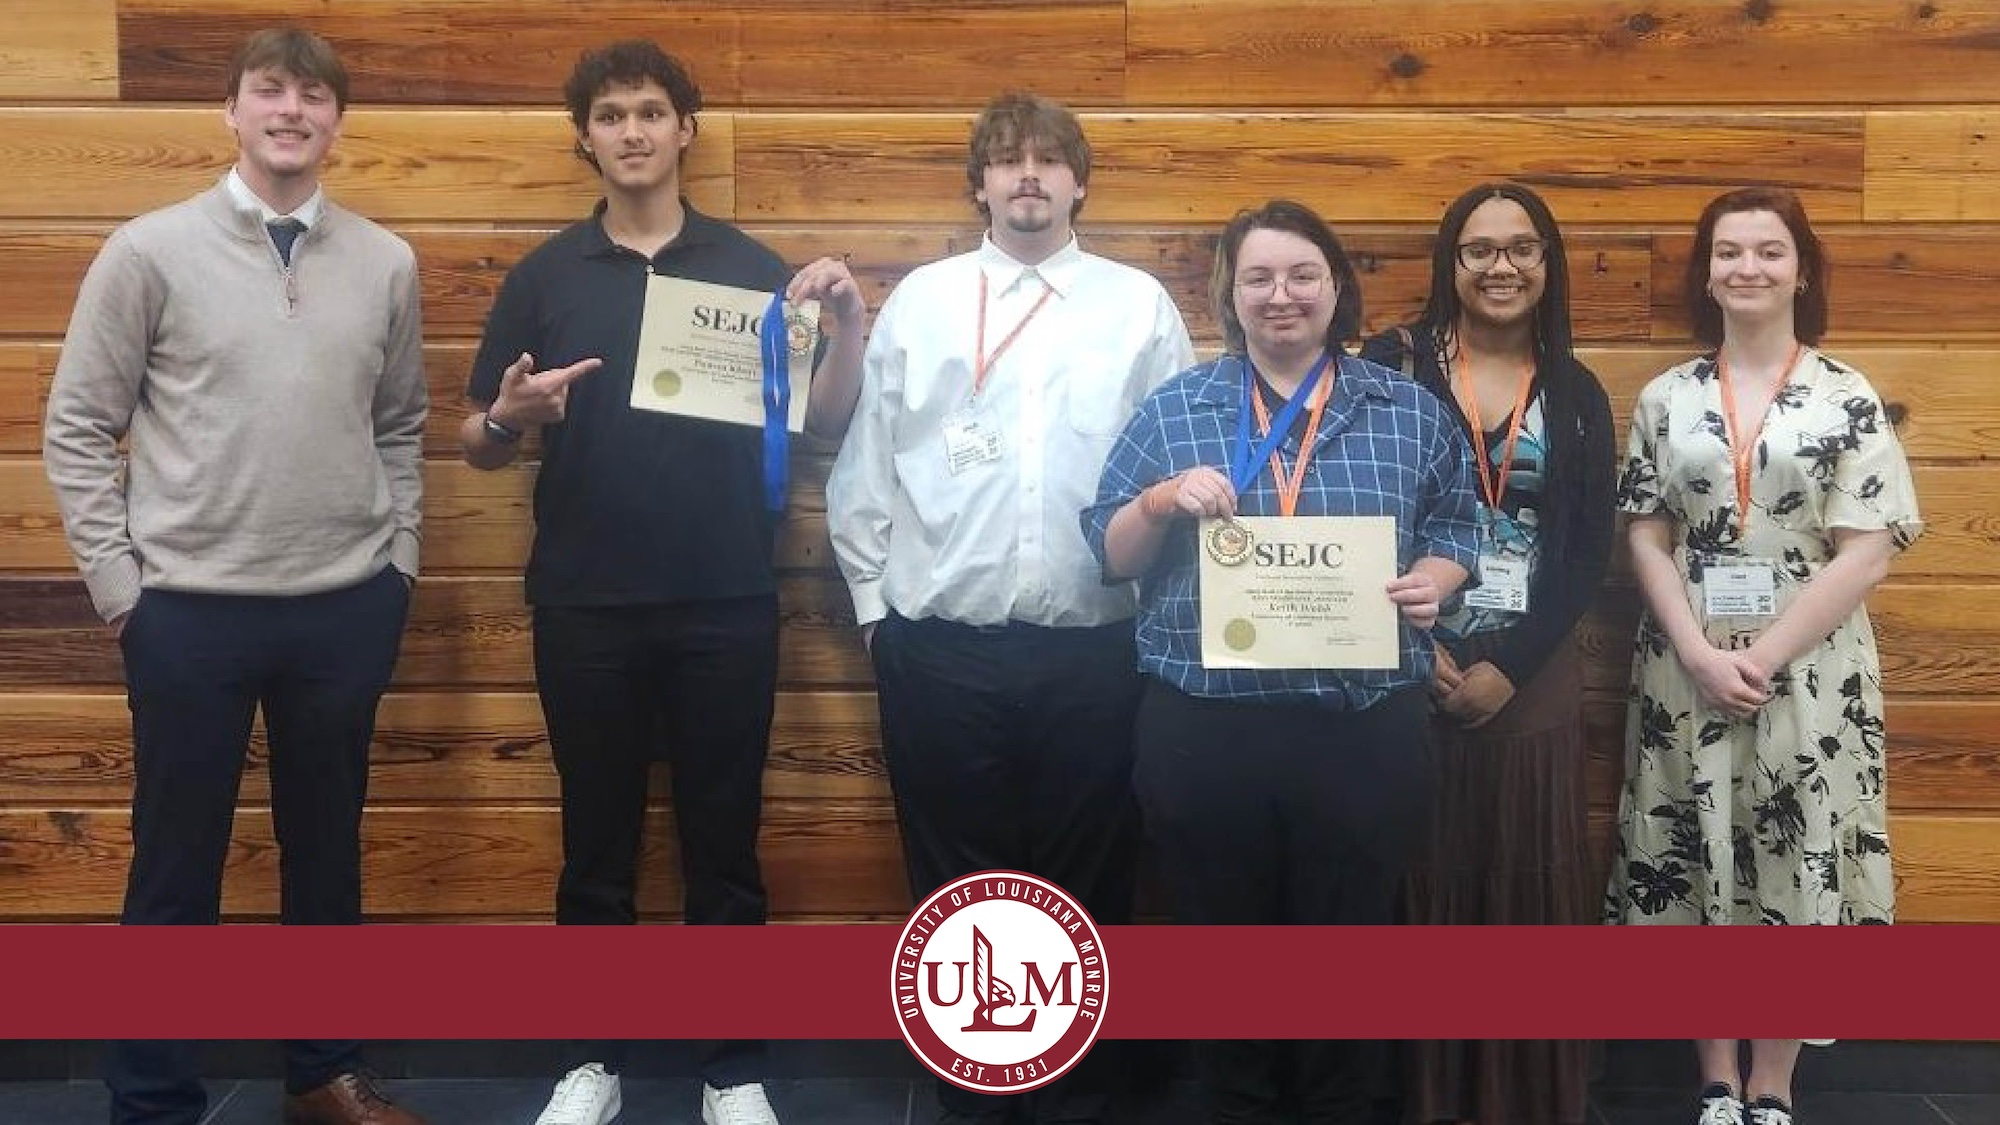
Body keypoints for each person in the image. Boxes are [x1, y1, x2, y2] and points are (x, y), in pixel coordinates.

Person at [458, 40, 865, 1125]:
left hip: (725, 597)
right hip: (583, 602)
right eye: (609, 115)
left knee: (722, 843)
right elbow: (474, 441)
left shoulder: (750, 268)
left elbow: (820, 425)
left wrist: (845, 329)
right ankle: (590, 1060)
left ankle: (730, 1068)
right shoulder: (545, 276)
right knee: (593, 845)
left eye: (650, 112)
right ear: (584, 137)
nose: (631, 131)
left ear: (685, 129)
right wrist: (508, 417)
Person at [40, 26, 428, 1125]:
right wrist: (122, 589)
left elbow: (399, 427)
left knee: (325, 860)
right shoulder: (147, 251)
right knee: (173, 871)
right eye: (270, 91)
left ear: (338, 121)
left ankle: (321, 1074)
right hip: (187, 614)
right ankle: (153, 1098)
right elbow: (77, 428)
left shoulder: (384, 261)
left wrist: (396, 564)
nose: (291, 111)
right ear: (232, 110)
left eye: (313, 95)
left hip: (343, 608)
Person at [823, 91, 1193, 1123]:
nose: (1026, 176)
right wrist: (872, 606)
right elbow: (868, 465)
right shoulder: (926, 302)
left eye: (1046, 160)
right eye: (1005, 161)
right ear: (977, 183)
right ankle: (975, 1095)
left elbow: (1176, 466)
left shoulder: (1137, 307)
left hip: (1095, 649)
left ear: (1078, 180)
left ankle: (1072, 1095)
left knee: (1086, 876)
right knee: (956, 881)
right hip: (938, 645)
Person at [1084, 199, 1480, 1124]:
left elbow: (1463, 526)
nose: (1281, 295)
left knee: (1350, 951)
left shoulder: (1408, 410)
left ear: (1336, 286)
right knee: (1222, 951)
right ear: (1229, 293)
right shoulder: (1176, 409)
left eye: (1303, 274)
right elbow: (1105, 551)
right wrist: (1159, 499)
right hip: (1206, 732)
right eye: (1257, 277)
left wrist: (1434, 578)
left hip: (1360, 731)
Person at [1603, 188, 1922, 1125]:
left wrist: (1767, 654)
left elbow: (1867, 545)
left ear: (1802, 268)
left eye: (1769, 251)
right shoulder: (1668, 397)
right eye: (1729, 252)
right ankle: (1713, 1075)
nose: (1748, 268)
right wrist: (1699, 652)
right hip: (1683, 665)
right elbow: (1646, 533)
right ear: (1705, 272)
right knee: (1694, 850)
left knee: (1794, 847)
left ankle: (1774, 1081)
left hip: (1812, 671)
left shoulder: (1847, 394)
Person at [1358, 183, 1614, 1125]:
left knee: (1520, 878)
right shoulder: (1390, 366)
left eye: (1521, 248)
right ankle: (1420, 1092)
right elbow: (1355, 506)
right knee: (1419, 869)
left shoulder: (1577, 392)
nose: (1500, 267)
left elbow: (1586, 547)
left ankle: (1520, 1093)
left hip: (1530, 671)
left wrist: (1513, 660)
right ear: (1448, 262)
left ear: (1546, 263)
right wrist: (1405, 644)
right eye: (1478, 250)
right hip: (1405, 661)